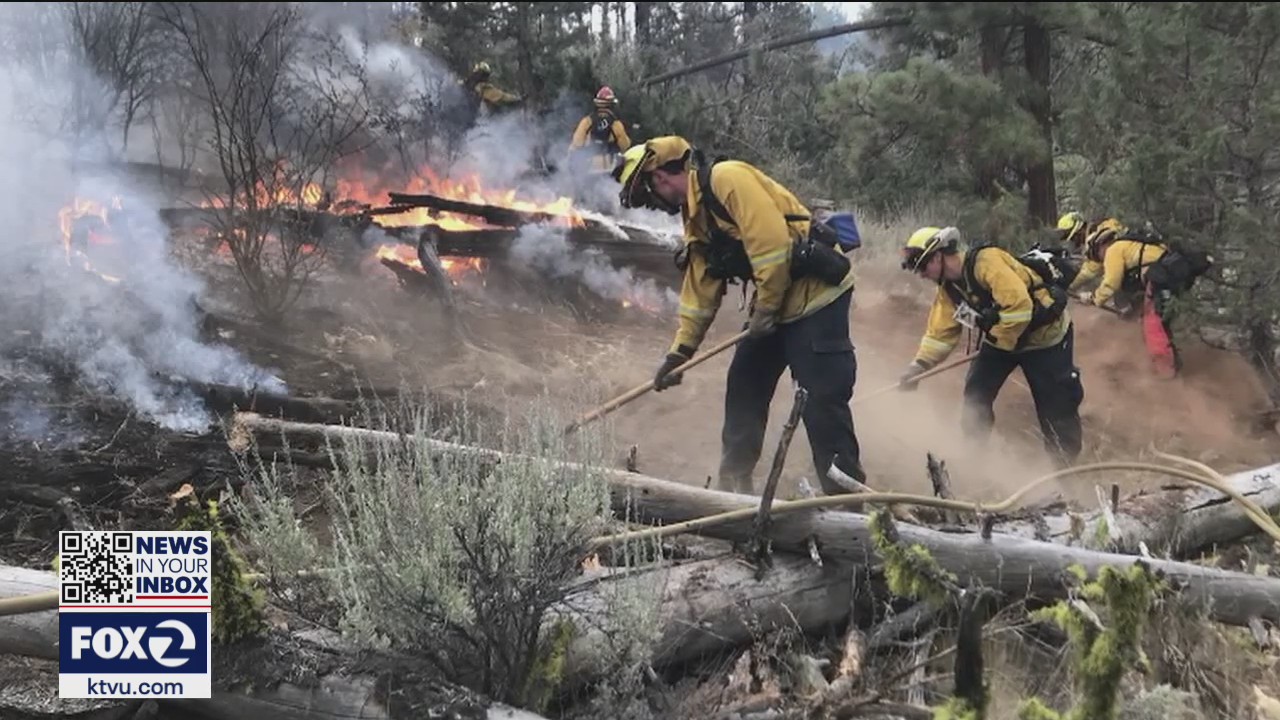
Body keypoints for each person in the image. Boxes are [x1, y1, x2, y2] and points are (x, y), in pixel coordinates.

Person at [611, 136, 866, 496]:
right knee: (744, 389)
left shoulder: (728, 179)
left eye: (647, 192)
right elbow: (700, 291)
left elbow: (772, 247)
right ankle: (734, 494)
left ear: (660, 176)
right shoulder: (697, 218)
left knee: (821, 402)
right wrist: (679, 353)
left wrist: (765, 310)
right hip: (774, 305)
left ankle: (848, 508)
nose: (651, 204)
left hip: (816, 301)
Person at [897, 226, 1084, 467]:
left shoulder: (988, 262)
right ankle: (976, 461)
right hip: (1001, 342)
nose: (921, 274)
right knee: (976, 396)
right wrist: (918, 367)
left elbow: (1019, 309)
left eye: (921, 266)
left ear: (937, 256)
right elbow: (940, 335)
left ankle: (1065, 470)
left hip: (1045, 341)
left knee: (1056, 406)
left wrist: (996, 343)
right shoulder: (949, 289)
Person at [1075, 223, 1182, 379]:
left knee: (1152, 324)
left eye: (1097, 255)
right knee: (1159, 323)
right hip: (1169, 276)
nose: (1101, 260)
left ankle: (1166, 372)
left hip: (1159, 278)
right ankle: (1172, 362)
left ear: (1101, 246)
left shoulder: (1114, 249)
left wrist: (1093, 298)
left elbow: (1112, 282)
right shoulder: (1131, 245)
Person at [569, 86, 632, 173]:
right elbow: (625, 146)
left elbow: (577, 143)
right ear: (612, 105)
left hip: (588, 168)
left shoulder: (587, 121)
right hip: (608, 169)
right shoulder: (616, 124)